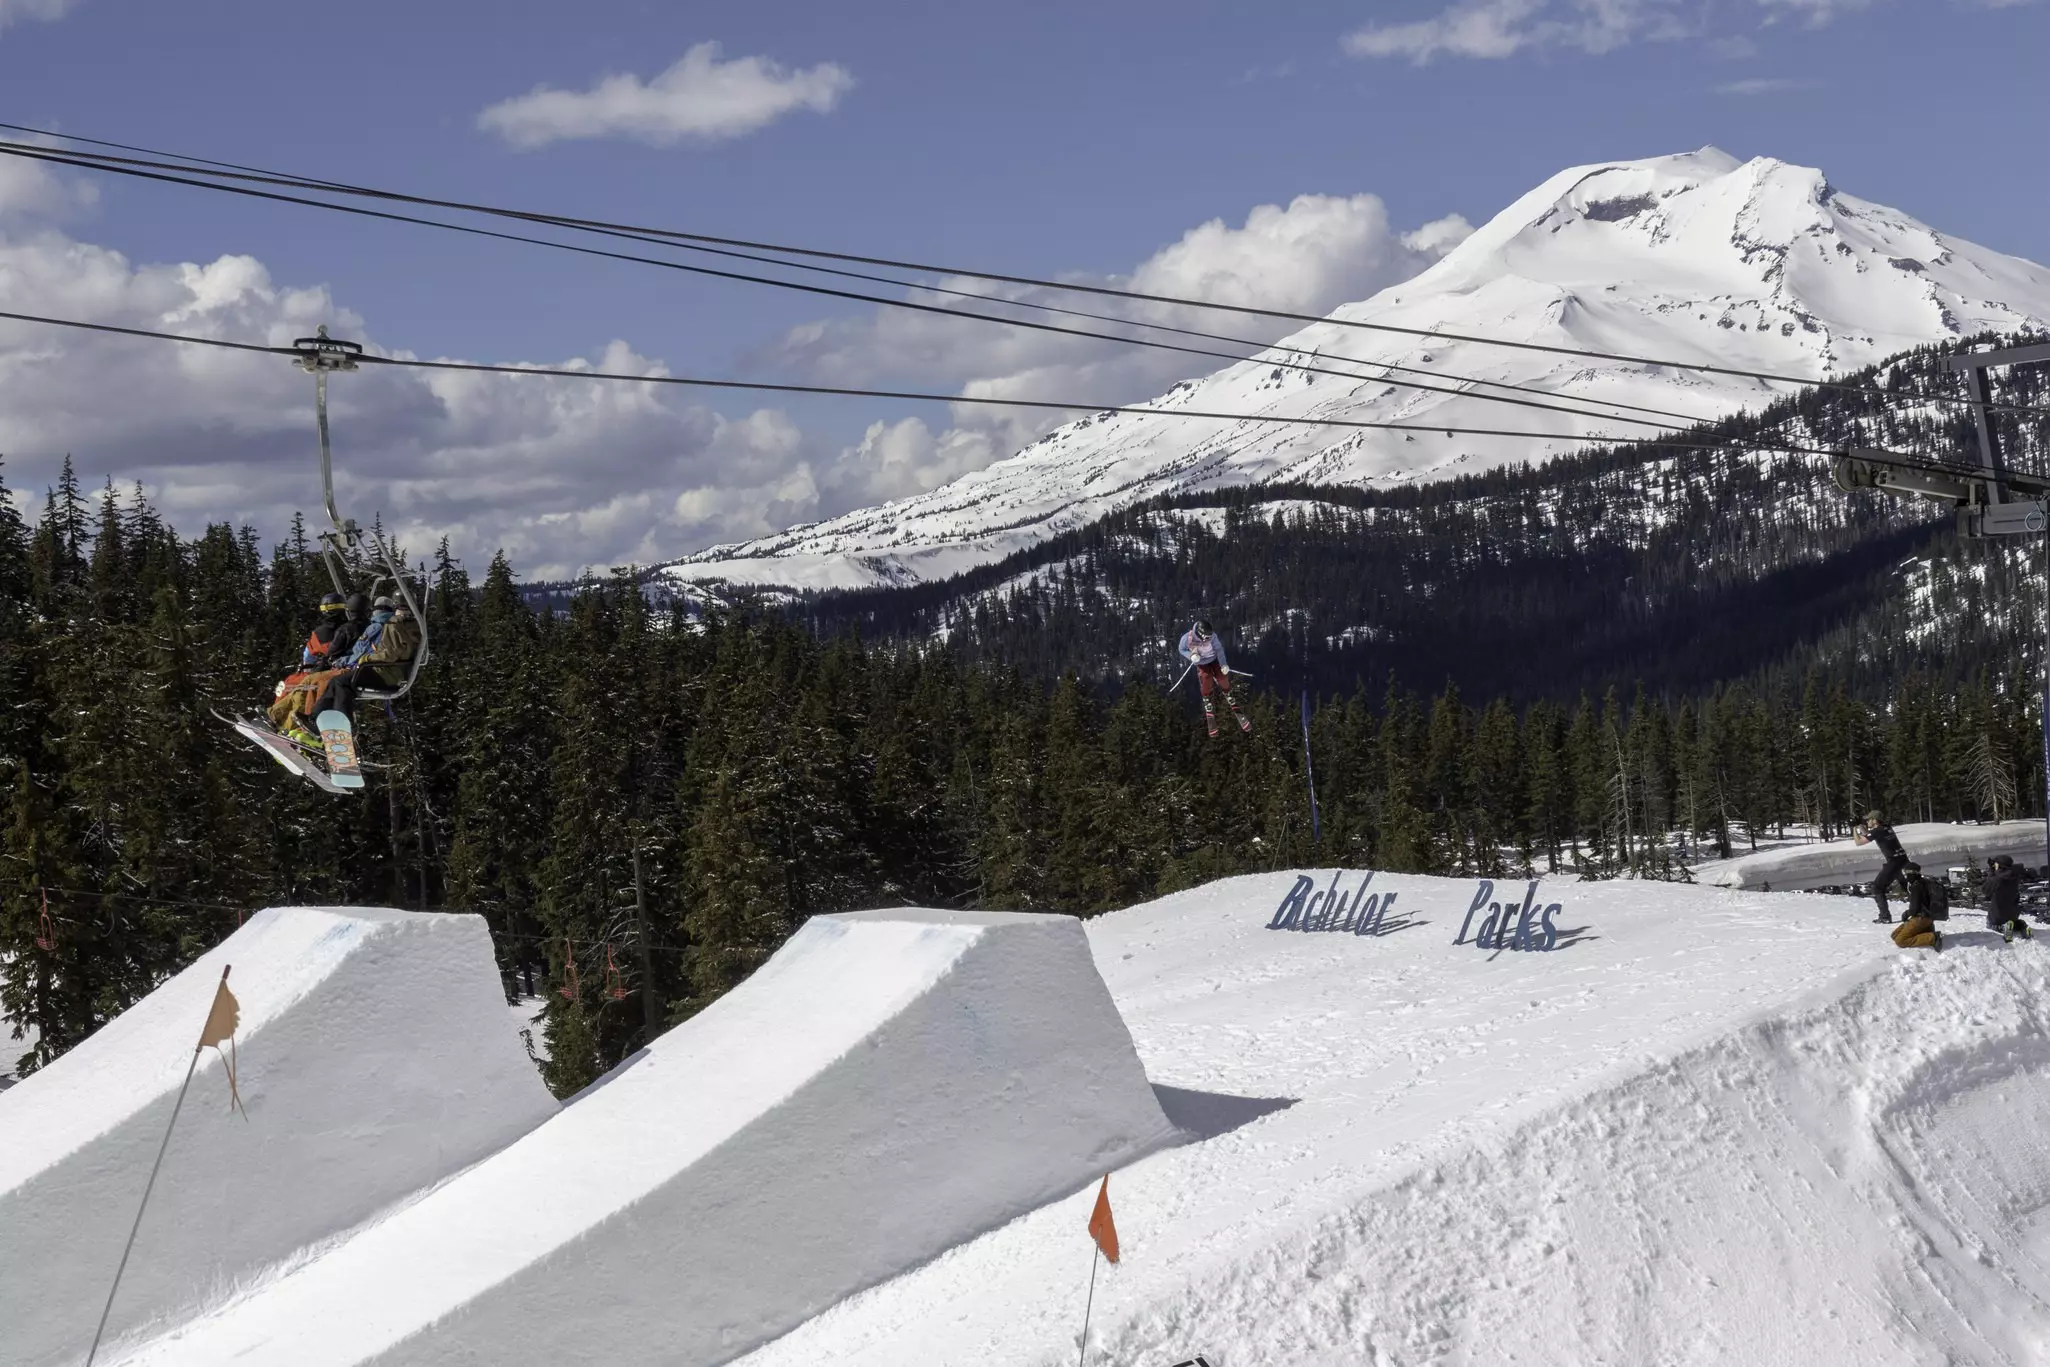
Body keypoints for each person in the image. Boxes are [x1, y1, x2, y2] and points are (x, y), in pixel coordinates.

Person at [1178, 618, 1248, 738]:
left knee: (1222, 677)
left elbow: (1219, 649)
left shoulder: (1212, 637)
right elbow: (1181, 649)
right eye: (1206, 637)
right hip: (1201, 662)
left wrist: (1223, 664)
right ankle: (1207, 698)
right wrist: (1190, 656)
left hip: (1214, 659)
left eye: (1210, 637)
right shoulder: (1187, 638)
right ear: (1200, 634)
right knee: (1206, 677)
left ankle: (1227, 692)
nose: (1208, 639)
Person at [1855, 811, 1909, 923]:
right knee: (1906, 888)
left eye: (1869, 819)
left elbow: (1859, 842)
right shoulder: (1886, 828)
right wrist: (1860, 825)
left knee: (1878, 888)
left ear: (1875, 820)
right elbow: (1869, 835)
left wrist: (1853, 828)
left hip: (1894, 862)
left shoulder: (1877, 831)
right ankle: (1921, 909)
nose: (1867, 821)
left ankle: (1885, 917)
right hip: (1903, 860)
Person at [1890, 863, 1942, 952]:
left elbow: (1914, 909)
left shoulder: (1916, 886)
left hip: (1920, 919)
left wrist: (1906, 914)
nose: (1905, 875)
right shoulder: (1924, 883)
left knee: (1900, 941)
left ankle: (1933, 937)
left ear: (1911, 872)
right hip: (1927, 918)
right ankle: (1926, 932)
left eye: (1906, 873)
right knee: (1895, 935)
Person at [1986, 854, 2032, 942]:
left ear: (1999, 865)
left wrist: (1991, 872)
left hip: (1998, 912)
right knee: (2014, 922)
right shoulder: (2015, 875)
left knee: (1991, 924)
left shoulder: (1997, 879)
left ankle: (2003, 927)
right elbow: (2006, 872)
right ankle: (2023, 927)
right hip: (2013, 913)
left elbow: (1986, 890)